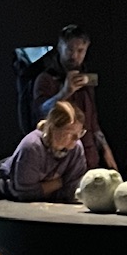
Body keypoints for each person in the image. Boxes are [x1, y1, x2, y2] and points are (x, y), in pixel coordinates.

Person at [31, 22, 115, 171]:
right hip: (61, 163)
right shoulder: (46, 79)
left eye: (80, 50)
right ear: (60, 47)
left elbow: (92, 120)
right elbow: (40, 112)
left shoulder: (85, 79)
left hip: (89, 160)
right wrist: (65, 92)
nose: (74, 55)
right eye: (69, 49)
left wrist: (105, 150)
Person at [0, 98, 87, 203]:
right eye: (70, 133)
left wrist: (46, 187)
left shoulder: (76, 148)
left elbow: (72, 188)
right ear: (53, 128)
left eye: (80, 133)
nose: (76, 139)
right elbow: (25, 193)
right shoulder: (32, 147)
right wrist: (60, 182)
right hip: (3, 192)